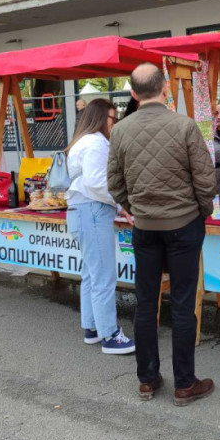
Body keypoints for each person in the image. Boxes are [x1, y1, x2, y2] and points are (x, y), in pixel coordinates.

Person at [108, 63, 216, 406]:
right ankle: (185, 383)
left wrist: (135, 208)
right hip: (184, 224)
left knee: (145, 302)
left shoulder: (120, 130)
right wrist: (202, 212)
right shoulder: (184, 126)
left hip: (145, 227)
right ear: (165, 88)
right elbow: (205, 180)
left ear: (133, 93)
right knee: (183, 303)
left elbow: (114, 183)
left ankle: (147, 379)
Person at [66, 99, 135, 354]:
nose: (114, 124)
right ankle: (110, 335)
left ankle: (93, 327)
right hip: (93, 211)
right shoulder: (96, 143)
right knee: (103, 276)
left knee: (91, 274)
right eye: (112, 119)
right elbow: (97, 184)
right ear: (100, 118)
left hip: (82, 211)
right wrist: (121, 203)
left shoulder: (82, 141)